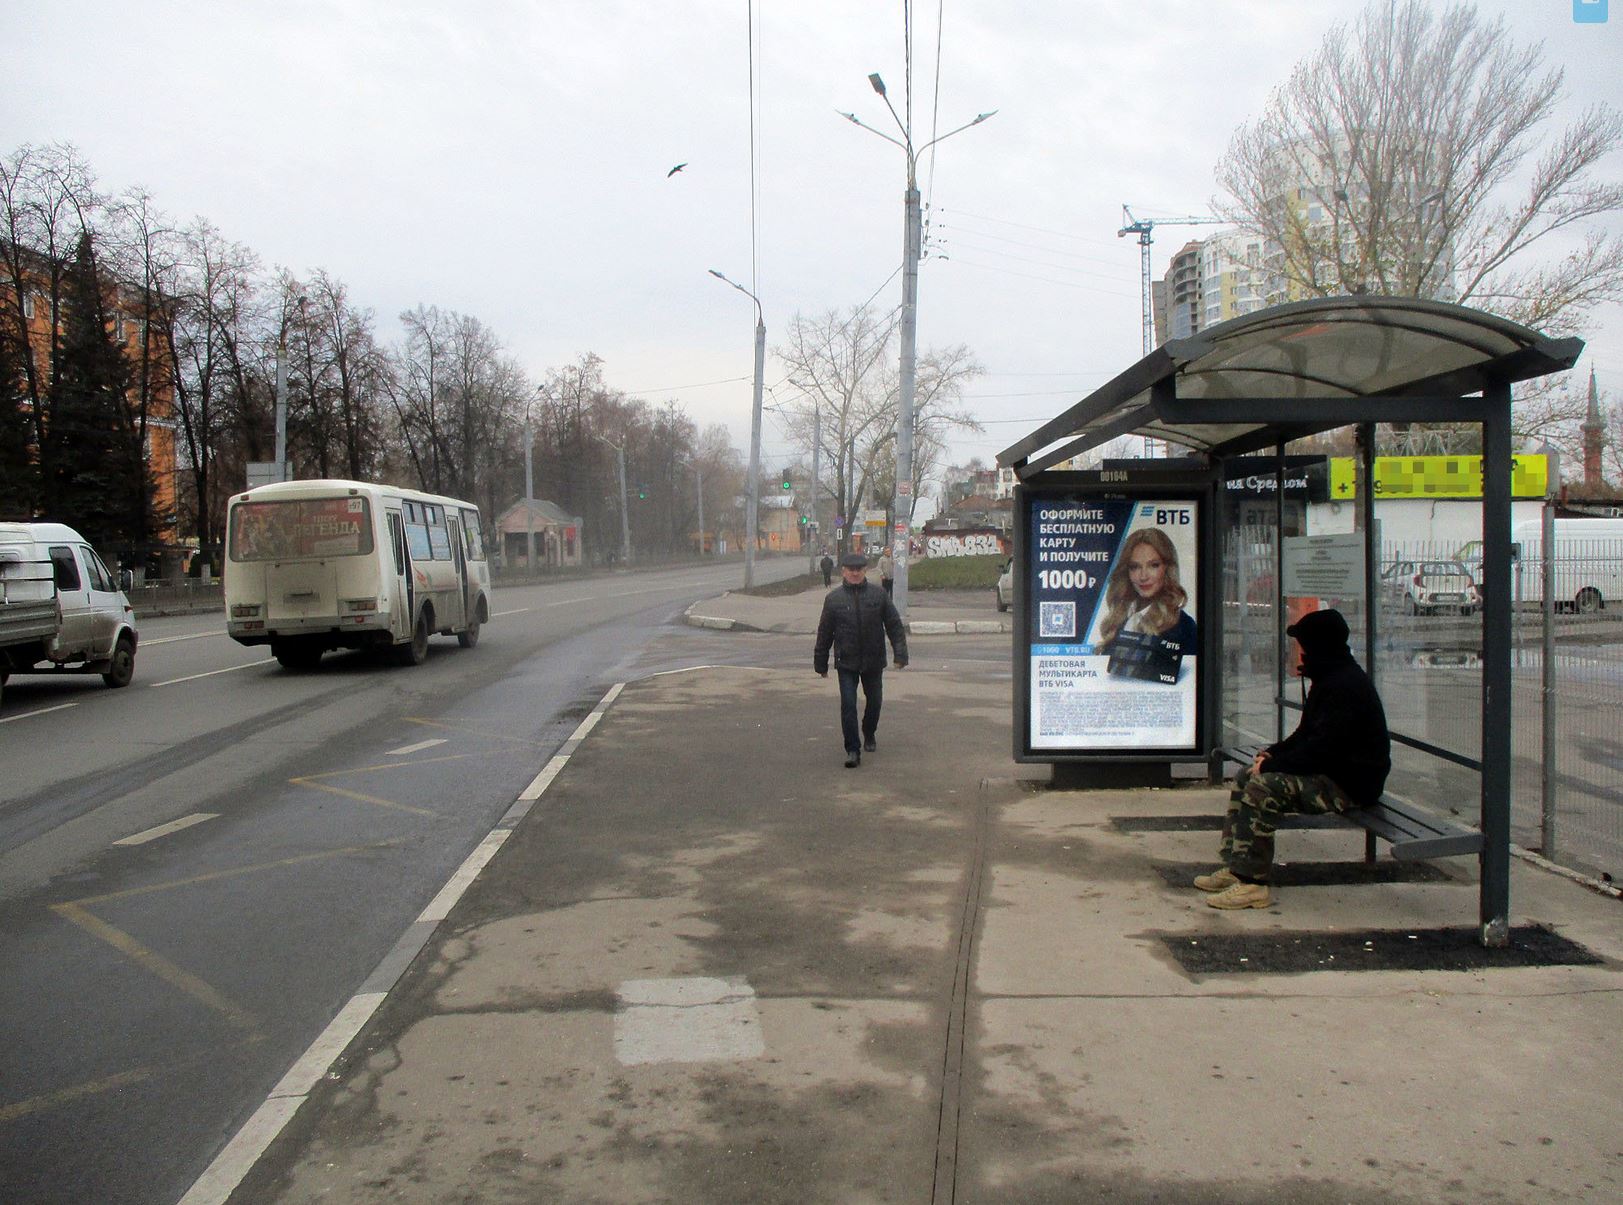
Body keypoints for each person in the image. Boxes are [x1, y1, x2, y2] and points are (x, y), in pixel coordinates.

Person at [1196, 607, 1391, 909]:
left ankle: (1253, 884)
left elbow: (1322, 750)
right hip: (1333, 773)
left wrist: (1273, 766)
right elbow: (1306, 734)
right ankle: (1237, 867)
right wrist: (1273, 753)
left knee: (1262, 788)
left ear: (1318, 645)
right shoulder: (1330, 676)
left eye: (1303, 644)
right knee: (1247, 775)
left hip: (1350, 785)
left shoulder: (1345, 686)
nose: (1299, 651)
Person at [814, 552, 908, 768]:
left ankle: (869, 730)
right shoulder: (834, 599)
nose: (855, 573)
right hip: (846, 661)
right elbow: (825, 633)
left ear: (865, 571)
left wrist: (900, 654)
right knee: (848, 705)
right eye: (851, 570)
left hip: (873, 660)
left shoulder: (878, 595)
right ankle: (852, 750)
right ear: (843, 572)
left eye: (859, 570)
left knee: (875, 702)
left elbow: (894, 625)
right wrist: (821, 663)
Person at [1096, 527, 1197, 657]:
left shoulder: (1184, 627)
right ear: (1126, 571)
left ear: (1167, 568)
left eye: (1154, 565)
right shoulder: (1120, 619)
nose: (1143, 576)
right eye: (1135, 567)